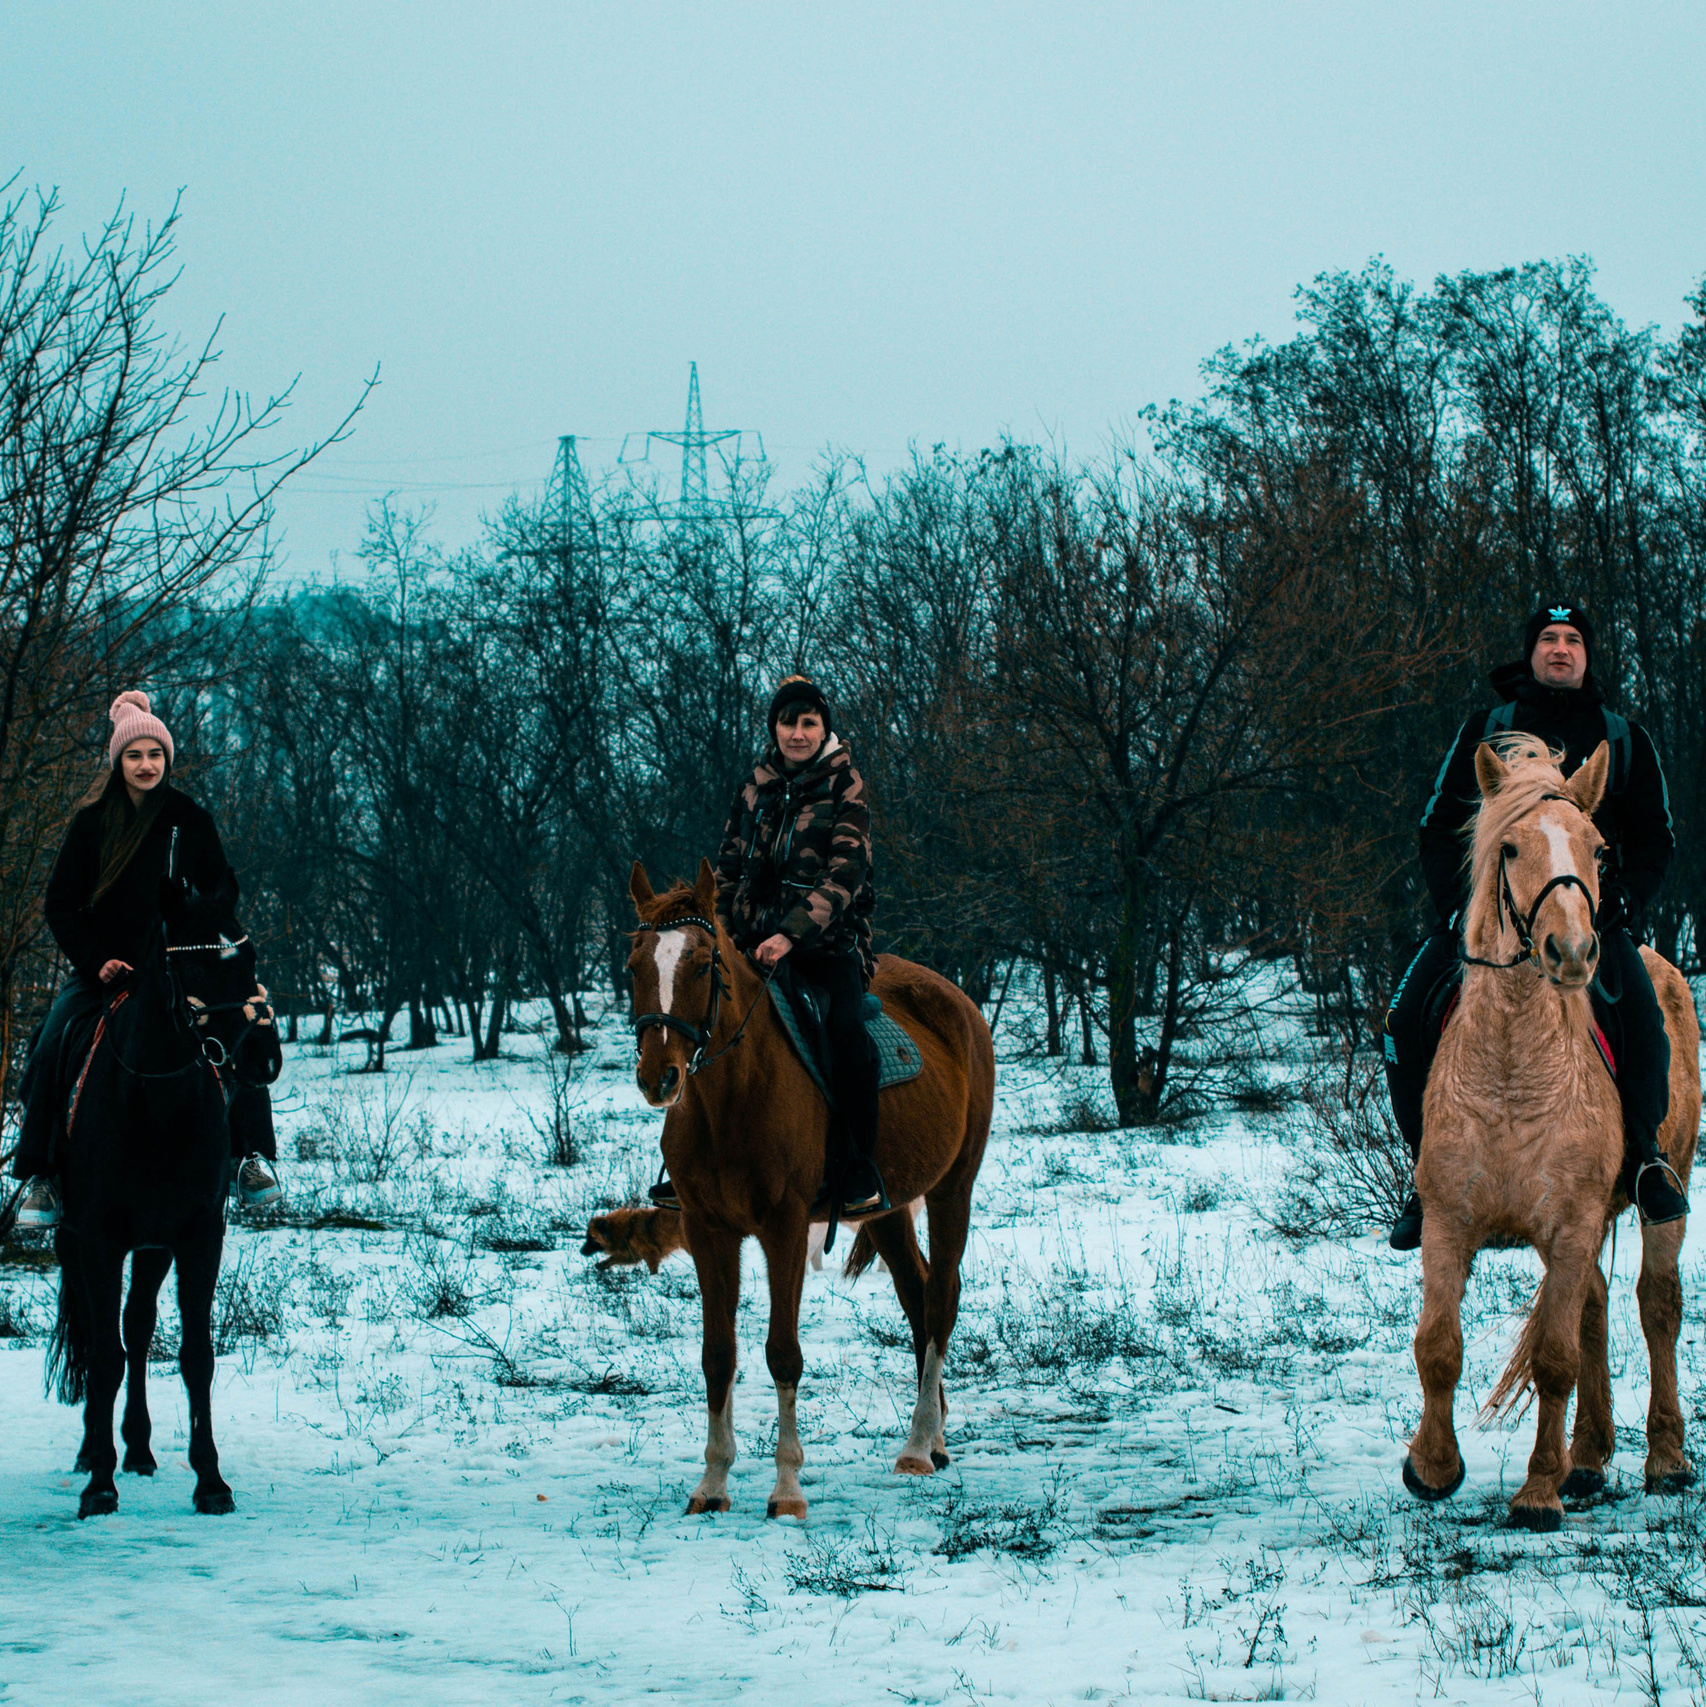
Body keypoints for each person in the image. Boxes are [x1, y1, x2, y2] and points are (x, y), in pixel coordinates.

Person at [1384, 602, 1689, 1250]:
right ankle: (1425, 1179)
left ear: (1587, 653)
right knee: (1405, 1018)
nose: (1560, 648)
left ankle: (1642, 1158)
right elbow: (1437, 827)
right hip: (1485, 926)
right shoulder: (1486, 730)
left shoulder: (1622, 737)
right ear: (1530, 653)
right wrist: (1454, 908)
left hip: (1589, 923)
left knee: (1644, 1016)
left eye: (1573, 638)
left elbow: (1657, 838)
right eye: (1548, 638)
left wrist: (1622, 905)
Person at [10, 692, 283, 1230]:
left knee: (240, 1028)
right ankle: (39, 1174)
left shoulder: (191, 819)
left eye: (154, 754)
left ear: (167, 758)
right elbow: (59, 905)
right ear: (118, 760)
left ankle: (250, 1156)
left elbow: (219, 898)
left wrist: (210, 950)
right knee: (51, 1041)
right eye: (134, 755)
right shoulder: (91, 824)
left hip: (182, 972)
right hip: (106, 975)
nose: (146, 765)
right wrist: (96, 962)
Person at [649, 675, 887, 1219]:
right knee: (700, 1016)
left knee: (846, 1034)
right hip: (751, 946)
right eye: (788, 722)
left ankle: (855, 1167)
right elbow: (727, 871)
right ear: (774, 727)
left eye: (808, 723)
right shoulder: (754, 789)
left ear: (824, 727)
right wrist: (727, 937)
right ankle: (684, 1162)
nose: (797, 734)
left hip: (827, 948)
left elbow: (845, 875)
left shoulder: (846, 786)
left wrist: (791, 933)